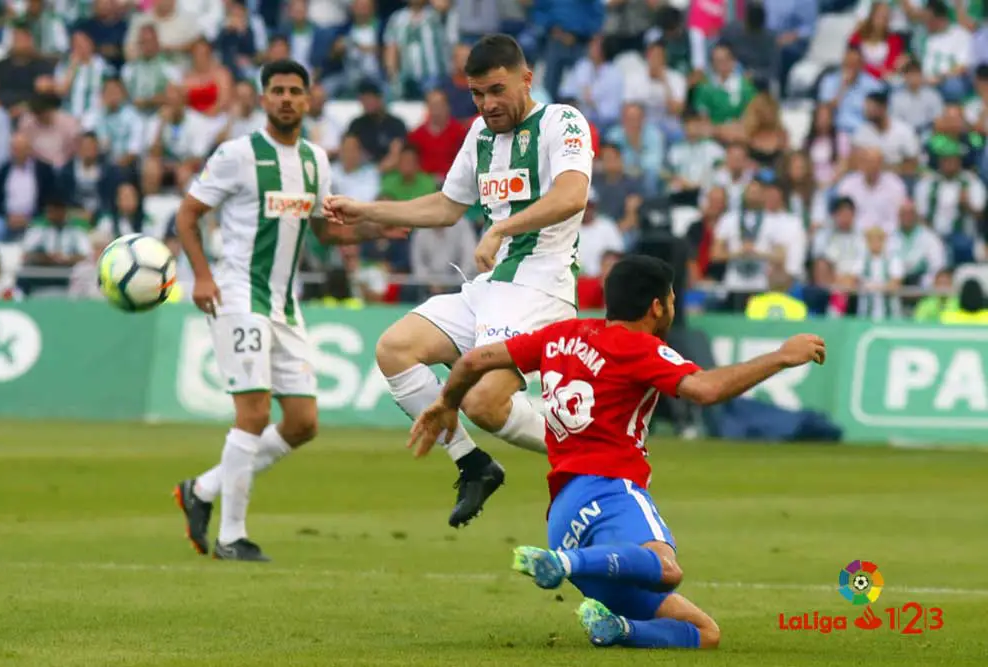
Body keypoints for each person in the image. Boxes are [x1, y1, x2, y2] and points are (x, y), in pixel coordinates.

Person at [406, 255, 826, 649]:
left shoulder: (562, 335)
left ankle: (616, 626)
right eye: (673, 300)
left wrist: (447, 403)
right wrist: (781, 357)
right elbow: (707, 389)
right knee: (666, 569)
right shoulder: (641, 349)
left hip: (564, 513)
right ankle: (564, 564)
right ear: (658, 307)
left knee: (703, 632)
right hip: (609, 491)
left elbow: (475, 360)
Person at [323, 34, 592, 528]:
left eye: (496, 90)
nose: (487, 104)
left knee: (484, 402)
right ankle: (473, 464)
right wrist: (368, 210)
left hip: (541, 288)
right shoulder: (480, 136)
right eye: (476, 94)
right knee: (395, 349)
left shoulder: (562, 121)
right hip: (488, 290)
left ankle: (589, 457)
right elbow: (447, 206)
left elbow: (573, 194)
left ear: (525, 79)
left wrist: (503, 226)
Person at [171, 59, 406, 562]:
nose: (285, 98)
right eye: (276, 90)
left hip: (285, 303)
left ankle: (203, 490)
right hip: (237, 296)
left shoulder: (317, 161)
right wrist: (203, 277)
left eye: (295, 91)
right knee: (253, 414)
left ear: (308, 99)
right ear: (263, 99)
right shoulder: (236, 155)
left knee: (302, 423)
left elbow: (324, 230)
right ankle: (232, 537)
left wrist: (376, 228)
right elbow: (188, 215)